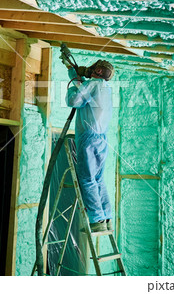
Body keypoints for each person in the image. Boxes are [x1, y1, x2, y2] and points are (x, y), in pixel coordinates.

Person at [64, 59, 115, 233]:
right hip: (101, 140)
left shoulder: (93, 83)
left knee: (86, 179)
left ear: (99, 70)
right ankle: (106, 217)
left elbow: (74, 100)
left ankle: (96, 220)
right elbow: (84, 91)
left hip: (88, 139)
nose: (90, 68)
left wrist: (73, 84)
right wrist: (72, 71)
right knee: (98, 179)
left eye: (94, 67)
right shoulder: (104, 88)